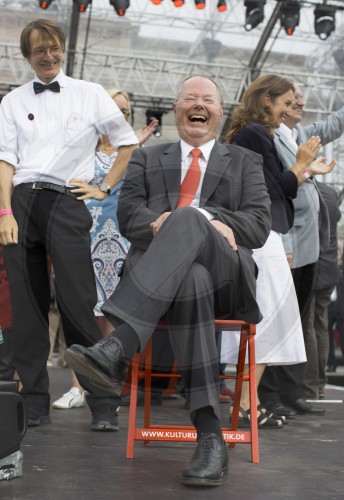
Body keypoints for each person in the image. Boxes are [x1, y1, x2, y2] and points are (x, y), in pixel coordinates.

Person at [65, 74, 272, 487]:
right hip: (170, 281)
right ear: (176, 109)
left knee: (190, 218)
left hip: (226, 276)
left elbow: (260, 224)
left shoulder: (246, 161)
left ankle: (118, 345)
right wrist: (160, 225)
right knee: (189, 276)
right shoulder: (146, 157)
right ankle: (210, 437)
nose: (199, 104)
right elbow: (128, 217)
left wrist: (205, 221)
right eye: (190, 98)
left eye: (208, 99)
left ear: (219, 111)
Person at [0, 19, 138, 430]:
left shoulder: (90, 93)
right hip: (21, 202)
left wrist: (103, 186)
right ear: (27, 56)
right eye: (39, 50)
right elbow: (4, 161)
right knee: (26, 309)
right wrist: (4, 212)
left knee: (79, 303)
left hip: (67, 200)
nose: (48, 56)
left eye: (53, 48)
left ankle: (103, 404)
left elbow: (127, 142)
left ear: (63, 50)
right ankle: (36, 403)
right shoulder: (11, 100)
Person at [223, 74, 334, 428]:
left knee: (267, 320)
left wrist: (303, 169)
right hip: (262, 236)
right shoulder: (256, 134)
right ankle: (246, 402)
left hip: (267, 235)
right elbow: (275, 188)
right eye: (286, 102)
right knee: (266, 320)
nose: (290, 109)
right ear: (266, 101)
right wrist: (301, 163)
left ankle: (248, 401)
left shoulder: (257, 134)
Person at [52, 89, 157, 410]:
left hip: (122, 241)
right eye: (112, 110)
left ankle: (109, 386)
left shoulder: (136, 154)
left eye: (124, 113)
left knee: (116, 311)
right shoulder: (79, 151)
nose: (118, 117)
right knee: (80, 310)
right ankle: (77, 387)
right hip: (84, 238)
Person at [259, 84, 344, 417]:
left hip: (308, 248)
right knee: (277, 318)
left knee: (296, 320)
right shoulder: (269, 137)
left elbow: (332, 126)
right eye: (291, 100)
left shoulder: (301, 134)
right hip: (285, 241)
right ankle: (271, 394)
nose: (299, 104)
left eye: (300, 101)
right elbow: (279, 188)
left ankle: (292, 391)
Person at [304, 183, 341, 399]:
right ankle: (319, 385)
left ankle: (309, 384)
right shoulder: (331, 192)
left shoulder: (309, 190)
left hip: (313, 266)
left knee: (308, 325)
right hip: (329, 268)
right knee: (321, 325)